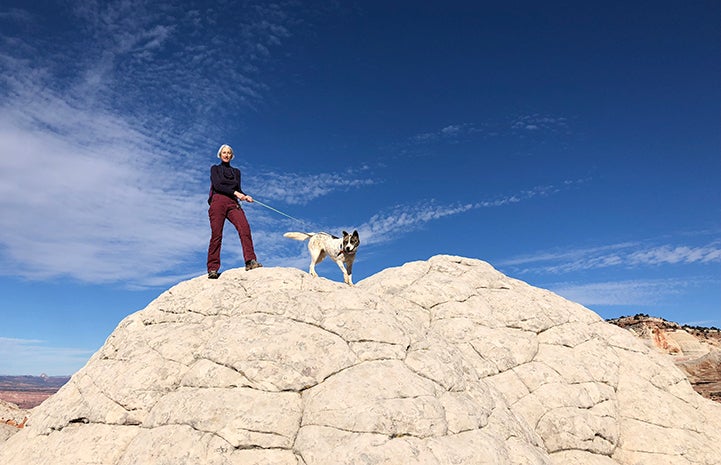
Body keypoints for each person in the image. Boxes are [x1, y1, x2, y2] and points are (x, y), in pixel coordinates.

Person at [206, 144, 262, 279]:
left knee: (245, 228)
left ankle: (250, 261)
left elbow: (239, 189)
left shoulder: (236, 172)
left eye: (229, 153)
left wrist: (246, 196)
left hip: (232, 203)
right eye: (224, 153)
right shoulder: (215, 169)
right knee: (217, 235)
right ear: (220, 155)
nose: (226, 155)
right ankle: (212, 268)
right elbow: (218, 185)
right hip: (217, 201)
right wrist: (236, 193)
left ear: (232, 156)